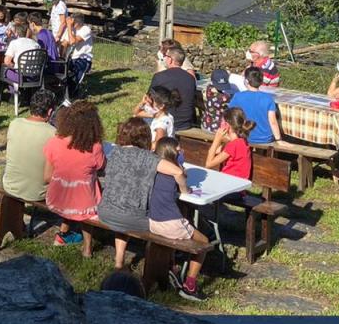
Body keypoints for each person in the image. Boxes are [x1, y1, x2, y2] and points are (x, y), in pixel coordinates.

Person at [97, 117, 189, 270]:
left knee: (123, 213)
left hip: (105, 211)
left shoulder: (114, 153)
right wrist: (185, 190)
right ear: (146, 137)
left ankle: (119, 262)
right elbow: (177, 171)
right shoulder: (149, 158)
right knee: (158, 222)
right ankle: (168, 265)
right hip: (133, 217)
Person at [150, 136, 212, 301]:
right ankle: (190, 285)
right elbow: (184, 191)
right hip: (169, 222)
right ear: (172, 153)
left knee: (180, 224)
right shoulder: (176, 171)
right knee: (204, 242)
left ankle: (173, 267)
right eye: (179, 150)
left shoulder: (153, 167)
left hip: (152, 221)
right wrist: (183, 180)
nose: (181, 152)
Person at [42, 102, 105, 245]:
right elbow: (102, 166)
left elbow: (46, 177)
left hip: (56, 200)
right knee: (90, 184)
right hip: (85, 206)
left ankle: (63, 232)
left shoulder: (53, 142)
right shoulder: (95, 147)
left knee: (74, 184)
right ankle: (87, 248)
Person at [1, 88, 57, 201]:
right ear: (50, 112)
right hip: (37, 193)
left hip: (10, 186)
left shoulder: (14, 124)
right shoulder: (53, 134)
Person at [150, 44, 199, 133]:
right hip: (186, 123)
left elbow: (149, 99)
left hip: (166, 122)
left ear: (170, 59)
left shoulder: (159, 77)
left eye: (166, 56)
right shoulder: (190, 78)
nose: (164, 58)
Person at [231, 67, 281, 144]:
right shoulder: (268, 98)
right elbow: (273, 121)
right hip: (265, 138)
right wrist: (279, 140)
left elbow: (230, 115)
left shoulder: (237, 96)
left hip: (245, 136)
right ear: (261, 82)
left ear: (246, 81)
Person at [205, 106, 254, 179]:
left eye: (222, 121)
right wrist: (224, 140)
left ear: (227, 125)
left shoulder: (234, 145)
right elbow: (214, 151)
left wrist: (217, 139)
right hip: (236, 183)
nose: (220, 124)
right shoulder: (242, 141)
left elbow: (208, 164)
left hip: (229, 184)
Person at [63, 11, 93, 97]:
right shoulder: (71, 29)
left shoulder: (86, 29)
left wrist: (68, 26)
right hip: (72, 58)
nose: (71, 25)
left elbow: (72, 41)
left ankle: (76, 92)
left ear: (76, 23)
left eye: (72, 23)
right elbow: (65, 43)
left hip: (83, 59)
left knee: (74, 84)